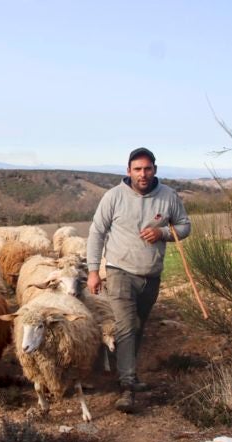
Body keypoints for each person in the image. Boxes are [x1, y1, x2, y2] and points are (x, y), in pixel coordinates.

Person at [86, 147, 191, 413]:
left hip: (151, 275)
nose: (142, 174)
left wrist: (163, 233)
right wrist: (93, 270)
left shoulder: (168, 196)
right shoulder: (114, 197)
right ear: (128, 171)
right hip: (120, 271)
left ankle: (123, 371)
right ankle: (127, 386)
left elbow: (184, 226)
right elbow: (97, 232)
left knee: (138, 326)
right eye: (137, 169)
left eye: (147, 169)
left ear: (155, 169)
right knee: (126, 326)